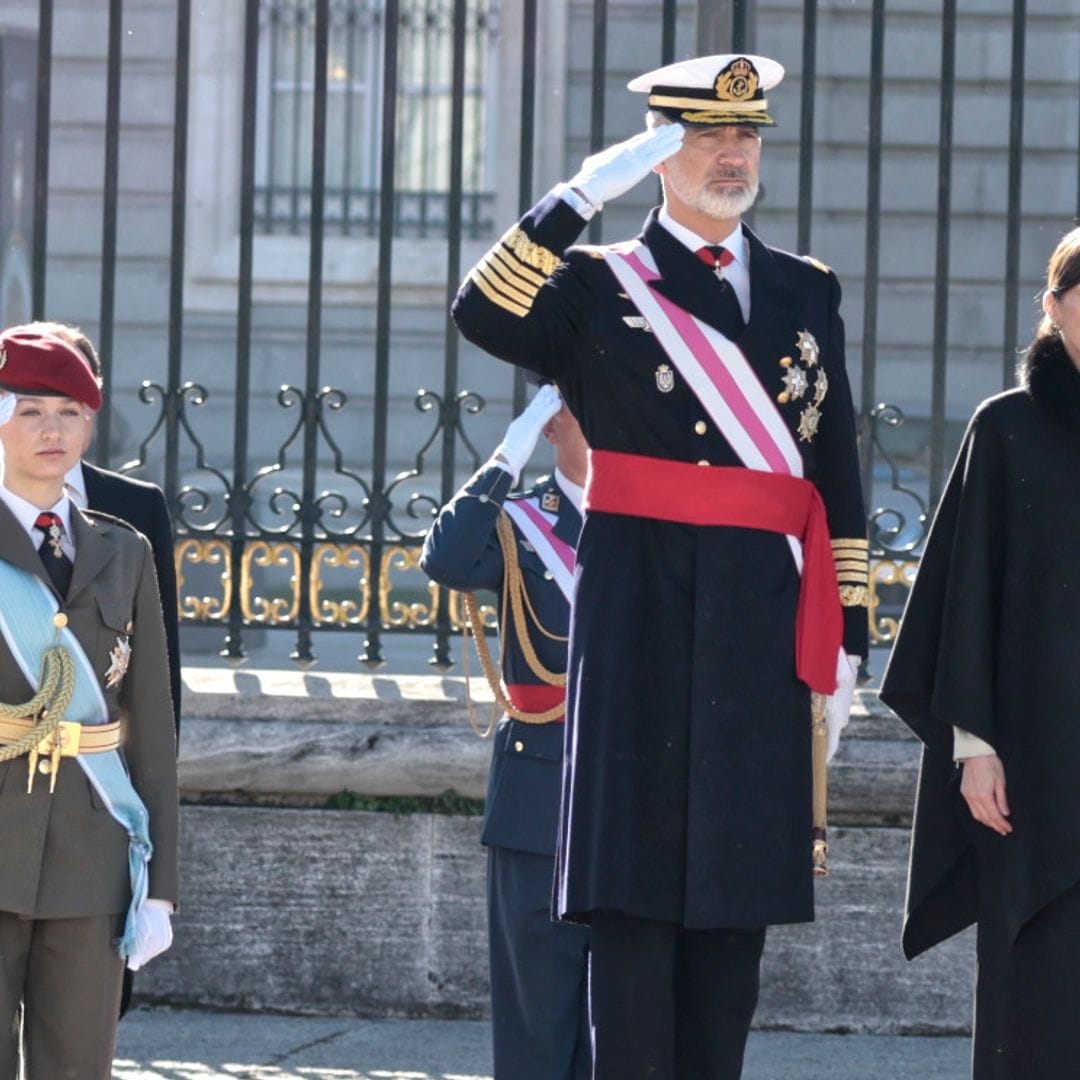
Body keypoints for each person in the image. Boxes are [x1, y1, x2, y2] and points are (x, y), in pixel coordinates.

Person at [452, 53, 868, 1080]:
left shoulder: (805, 288)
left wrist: (848, 631)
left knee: (733, 933)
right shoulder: (595, 283)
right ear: (658, 154)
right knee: (631, 926)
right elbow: (481, 313)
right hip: (638, 618)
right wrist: (578, 197)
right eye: (704, 136)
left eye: (747, 135)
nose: (732, 153)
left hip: (762, 625)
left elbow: (838, 469)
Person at [879, 225, 1080, 1077]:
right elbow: (963, 600)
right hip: (1029, 765)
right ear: (1052, 308)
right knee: (1035, 987)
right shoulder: (1007, 429)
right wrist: (974, 747)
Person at [0, 326, 178, 1078]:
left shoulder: (124, 549)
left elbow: (153, 726)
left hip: (88, 853)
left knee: (77, 1066)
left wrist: (160, 887)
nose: (52, 430)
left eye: (70, 412)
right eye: (30, 409)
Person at [420, 383, 591, 1080]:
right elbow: (447, 557)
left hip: (639, 783)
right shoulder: (522, 522)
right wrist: (506, 455)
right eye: (593, 411)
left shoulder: (653, 522)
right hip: (542, 792)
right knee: (539, 1016)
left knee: (628, 1015)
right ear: (553, 427)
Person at [24, 320, 182, 736]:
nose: (51, 426)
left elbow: (157, 658)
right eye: (34, 405)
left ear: (91, 408)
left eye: (68, 403)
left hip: (94, 770)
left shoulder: (138, 506)